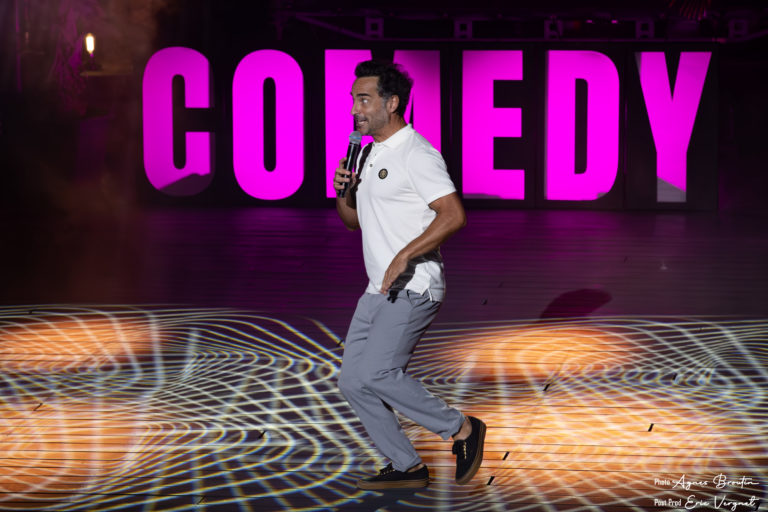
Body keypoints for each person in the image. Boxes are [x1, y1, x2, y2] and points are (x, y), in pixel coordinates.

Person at [333, 60, 485, 490]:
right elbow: (352, 222)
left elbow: (453, 214)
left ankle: (462, 429)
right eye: (353, 100)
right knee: (353, 382)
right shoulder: (368, 153)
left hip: (413, 286)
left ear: (392, 103)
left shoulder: (417, 154)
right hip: (377, 289)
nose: (355, 109)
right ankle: (406, 465)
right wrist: (342, 192)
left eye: (364, 100)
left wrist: (405, 255)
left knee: (378, 373)